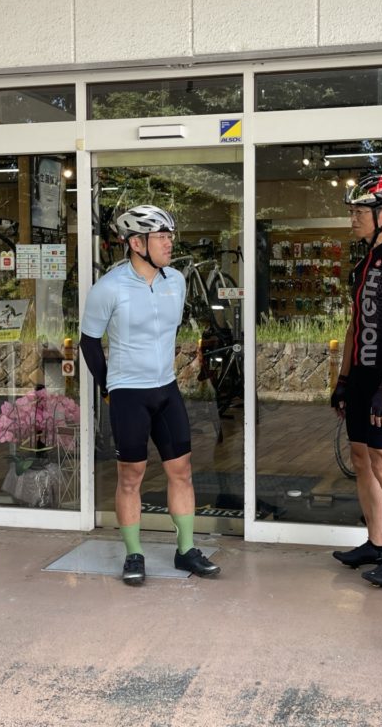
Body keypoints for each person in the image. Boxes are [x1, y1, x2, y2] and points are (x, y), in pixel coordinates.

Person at [80, 204, 220, 585]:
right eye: (161, 237)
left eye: (170, 236)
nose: (169, 243)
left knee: (182, 470)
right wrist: (109, 388)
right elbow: (89, 343)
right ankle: (134, 554)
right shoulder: (109, 287)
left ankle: (186, 549)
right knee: (131, 476)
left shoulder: (176, 281)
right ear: (137, 243)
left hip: (166, 389)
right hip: (128, 392)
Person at [329, 172, 382, 588]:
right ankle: (377, 542)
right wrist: (343, 379)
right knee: (361, 457)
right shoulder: (364, 262)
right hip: (361, 378)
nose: (353, 219)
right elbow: (354, 325)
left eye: (359, 212)